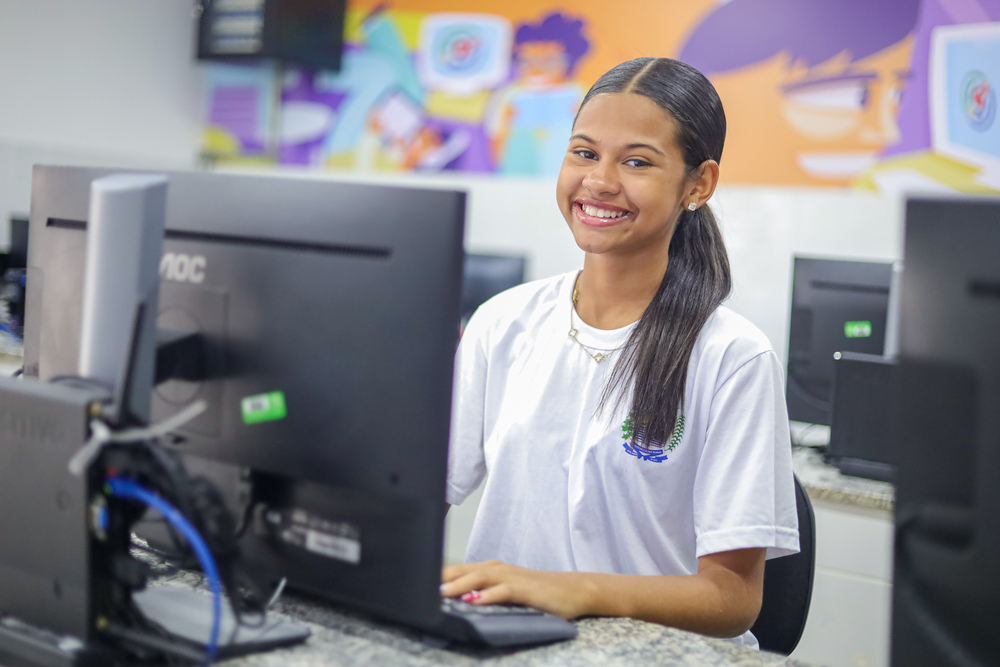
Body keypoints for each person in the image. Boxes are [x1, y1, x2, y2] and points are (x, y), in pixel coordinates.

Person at [441, 57, 799, 648]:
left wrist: (578, 591)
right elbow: (418, 498)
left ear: (698, 185)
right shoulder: (502, 322)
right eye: (584, 153)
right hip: (510, 645)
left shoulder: (732, 356)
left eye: (636, 161)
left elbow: (733, 599)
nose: (600, 181)